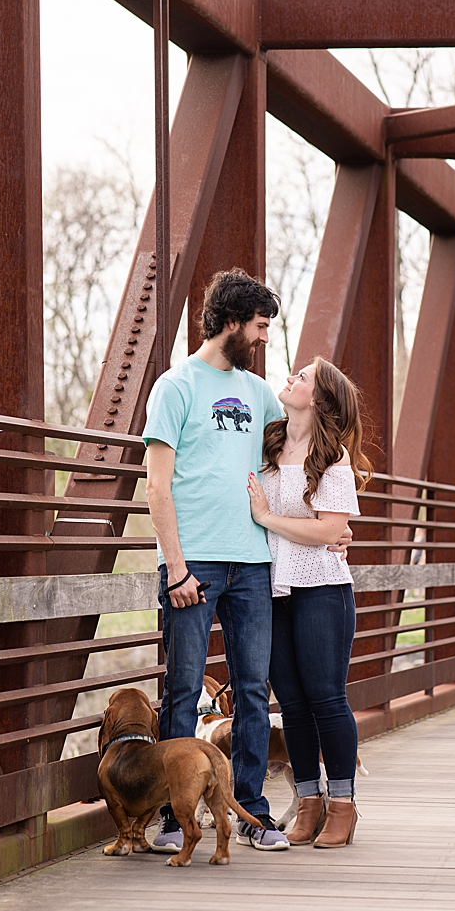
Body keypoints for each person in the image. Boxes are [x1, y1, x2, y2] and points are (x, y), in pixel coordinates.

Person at [144, 268, 292, 851]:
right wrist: (175, 568)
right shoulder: (175, 387)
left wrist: (331, 525)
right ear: (230, 322)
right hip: (193, 564)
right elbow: (157, 486)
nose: (262, 340)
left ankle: (252, 812)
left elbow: (295, 464)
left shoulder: (259, 395)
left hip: (251, 563)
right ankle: (172, 817)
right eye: (258, 328)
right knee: (182, 690)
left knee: (253, 689)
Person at [246, 357, 369, 848]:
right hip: (271, 588)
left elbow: (330, 530)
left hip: (321, 587)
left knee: (326, 698)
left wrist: (267, 518)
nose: (292, 377)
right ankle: (308, 802)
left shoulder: (332, 455)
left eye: (304, 377)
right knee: (292, 705)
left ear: (317, 399)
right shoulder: (267, 442)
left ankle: (343, 806)